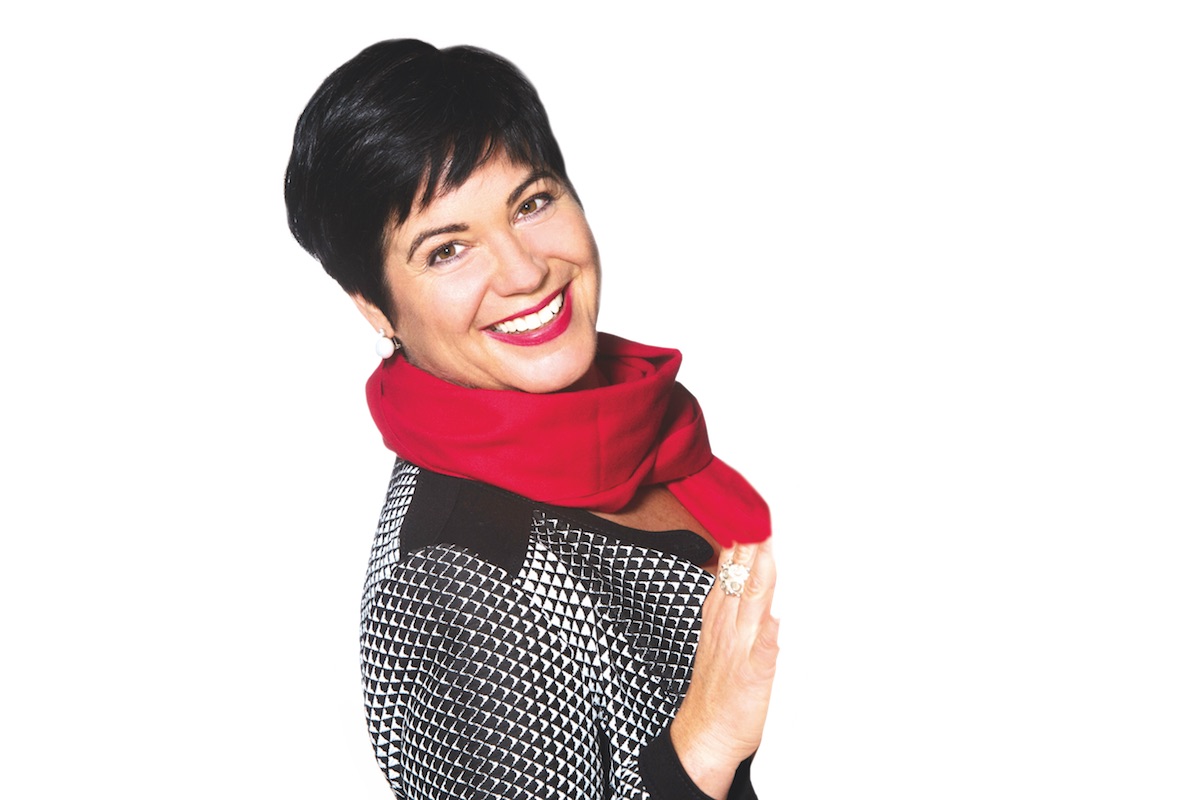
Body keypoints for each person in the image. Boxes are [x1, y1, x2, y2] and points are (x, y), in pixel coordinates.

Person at [284, 38, 779, 800]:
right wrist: (702, 748)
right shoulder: (458, 578)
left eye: (532, 203)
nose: (523, 271)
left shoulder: (647, 435)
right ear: (376, 307)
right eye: (447, 250)